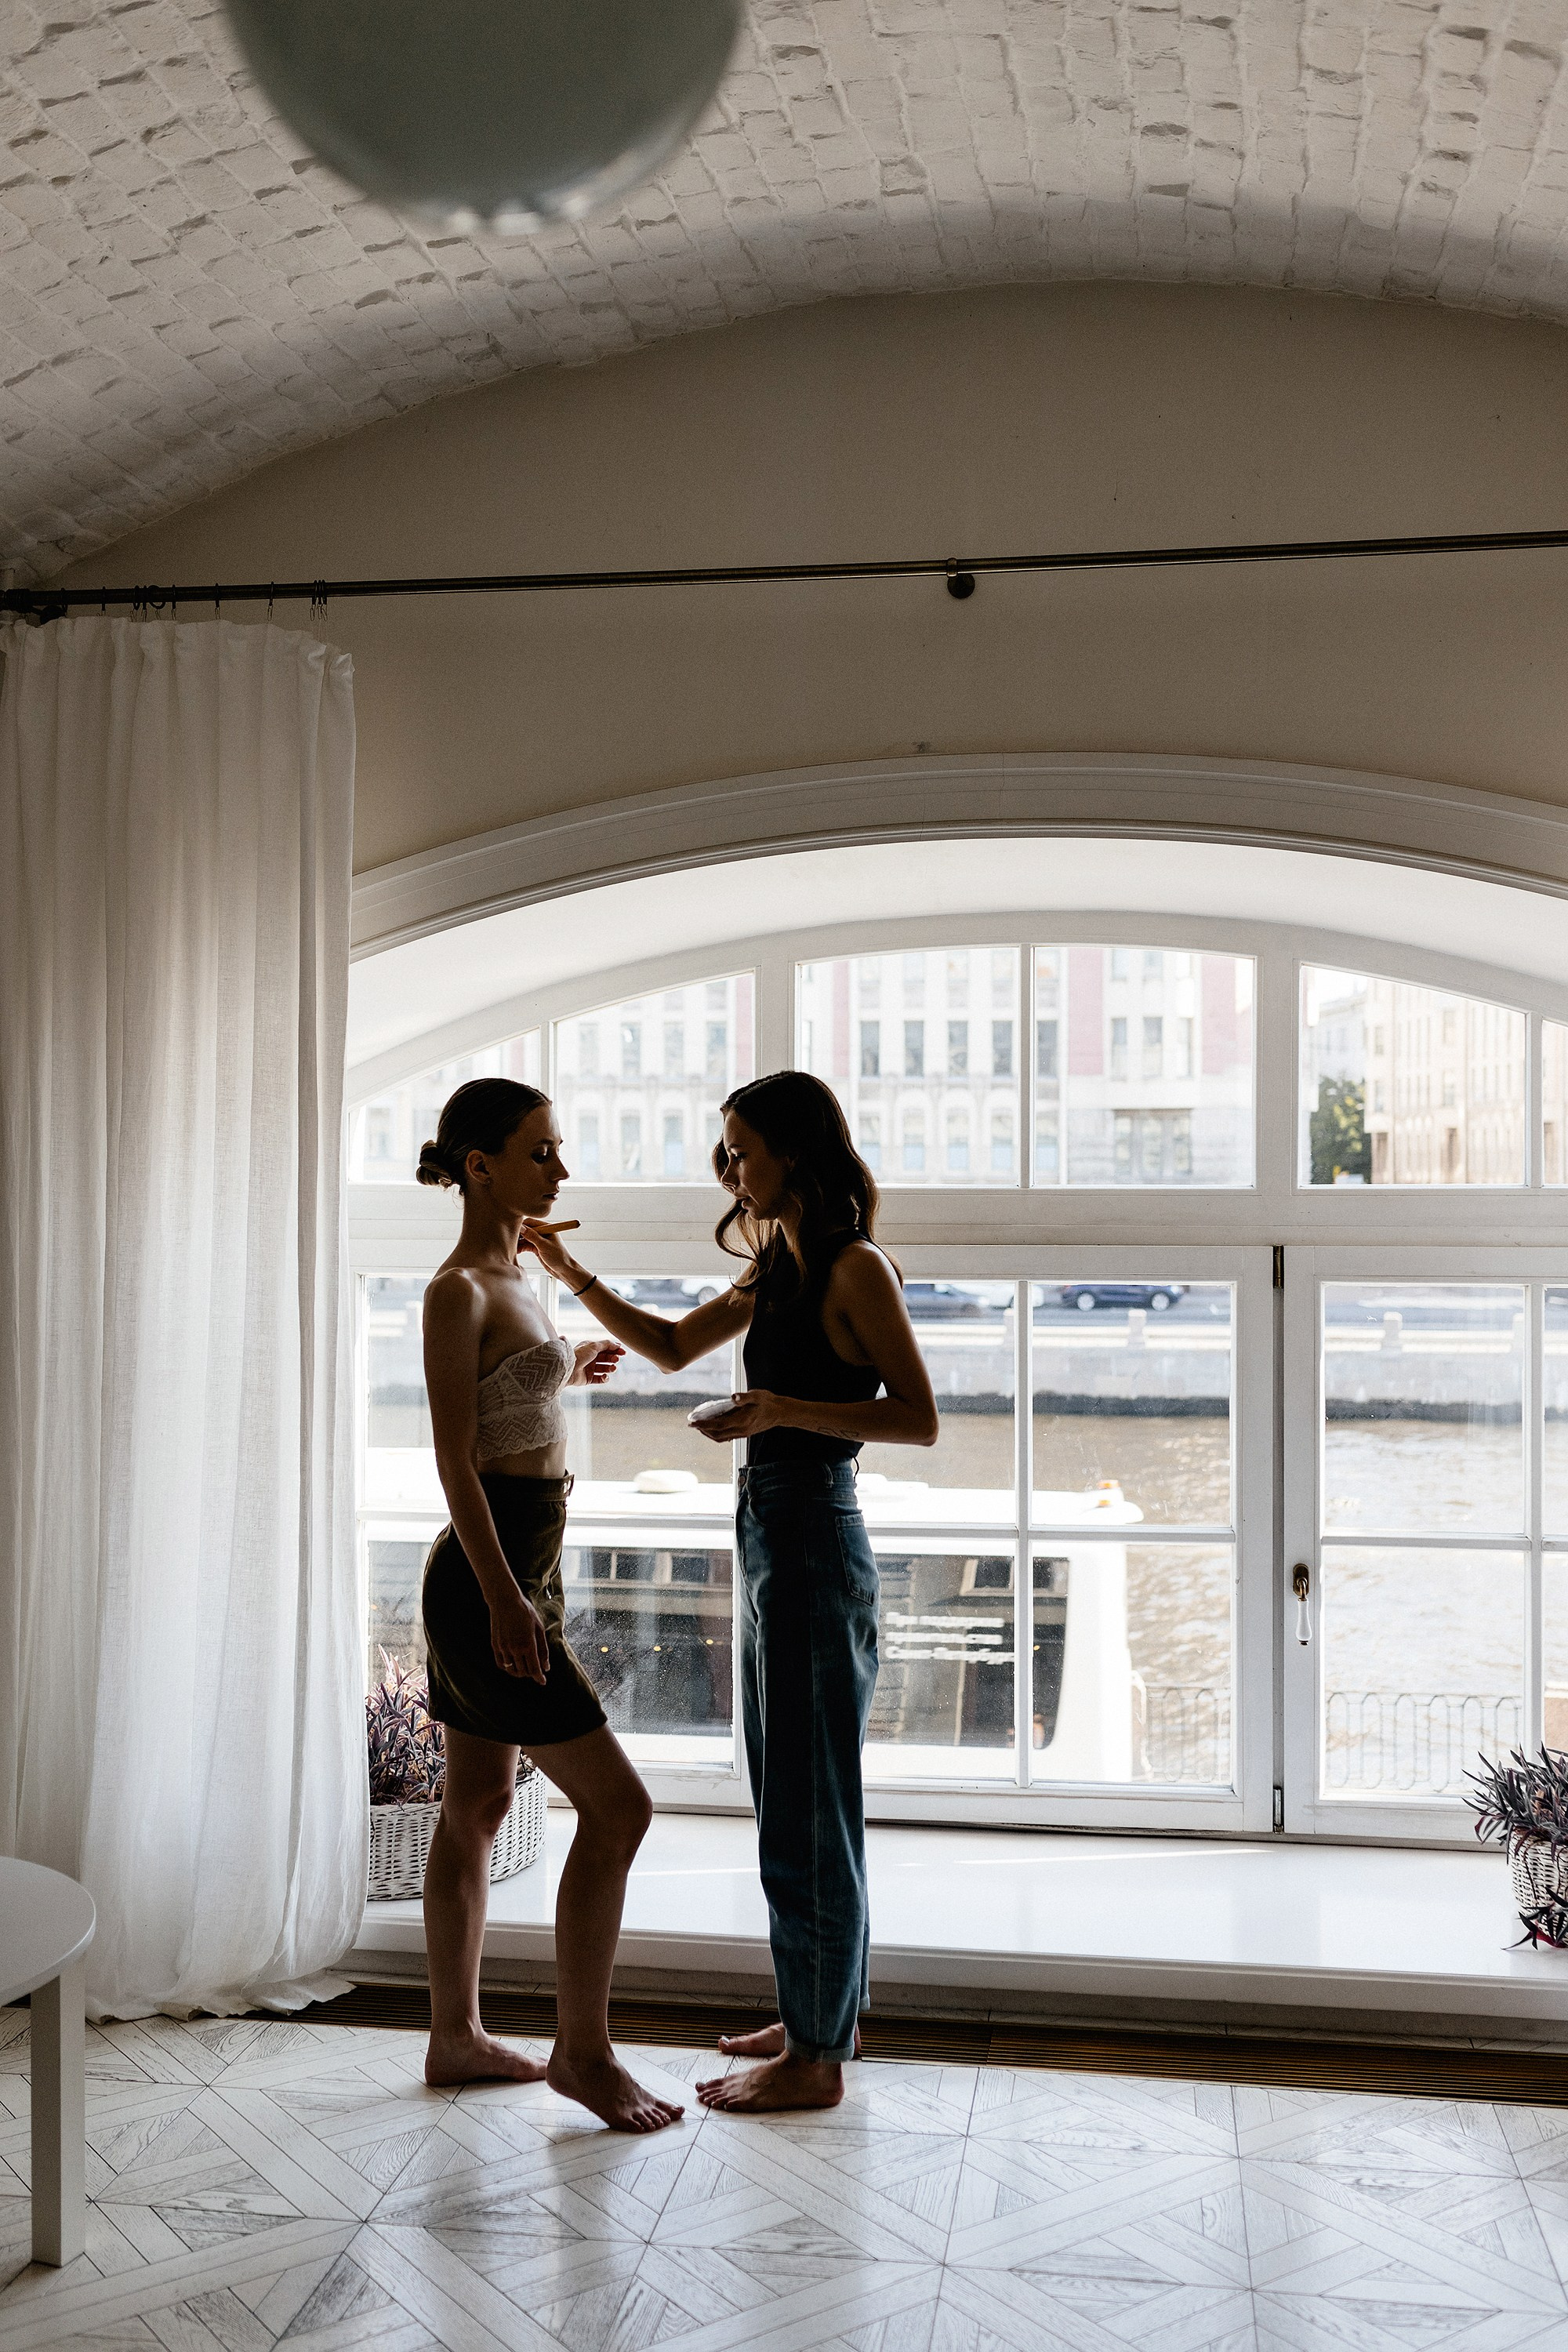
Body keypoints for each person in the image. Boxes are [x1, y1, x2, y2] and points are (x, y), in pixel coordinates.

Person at [525, 1069, 938, 2114]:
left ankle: (815, 2059)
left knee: (807, 1807)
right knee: (787, 1795)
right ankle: (814, 2014)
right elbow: (668, 1346)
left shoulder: (853, 1268)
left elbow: (919, 1417)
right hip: (768, 1523)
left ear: (792, 1151)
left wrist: (776, 1407)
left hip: (811, 1527)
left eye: (740, 1148)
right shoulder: (781, 1262)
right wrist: (567, 1268)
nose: (729, 1168)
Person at [415, 1076, 682, 2133]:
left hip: (529, 1566)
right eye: (540, 1152)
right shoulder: (457, 1292)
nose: (560, 1171)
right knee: (622, 1810)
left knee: (476, 1806)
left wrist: (572, 1366)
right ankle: (584, 2052)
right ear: (480, 1165)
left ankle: (454, 2038)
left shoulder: (513, 1273)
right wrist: (504, 1604)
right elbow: (453, 1461)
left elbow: (507, 1398)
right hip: (491, 1577)